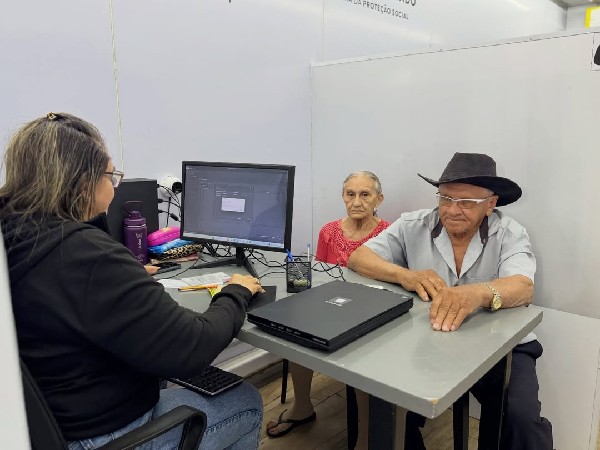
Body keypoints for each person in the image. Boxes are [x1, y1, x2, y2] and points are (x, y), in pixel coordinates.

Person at [0, 112, 264, 450]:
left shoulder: (18, 236)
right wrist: (234, 293)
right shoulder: (87, 256)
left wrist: (123, 277)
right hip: (102, 436)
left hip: (44, 427)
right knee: (246, 401)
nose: (115, 186)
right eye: (111, 175)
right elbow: (192, 348)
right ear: (83, 183)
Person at [348, 152, 553, 450]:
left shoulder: (509, 233)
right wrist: (405, 275)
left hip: (502, 347)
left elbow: (523, 287)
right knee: (386, 401)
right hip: (426, 342)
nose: (452, 210)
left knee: (520, 419)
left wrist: (478, 293)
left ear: (490, 204)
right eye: (445, 199)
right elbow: (359, 258)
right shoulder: (413, 224)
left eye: (466, 202)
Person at [266, 171, 389, 448]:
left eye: (365, 194)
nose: (356, 202)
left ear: (379, 199)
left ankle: (365, 435)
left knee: (362, 353)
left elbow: (389, 283)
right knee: (297, 330)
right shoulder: (329, 231)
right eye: (350, 194)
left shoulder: (388, 234)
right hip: (329, 305)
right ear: (343, 196)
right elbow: (320, 273)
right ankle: (302, 406)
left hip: (366, 308)